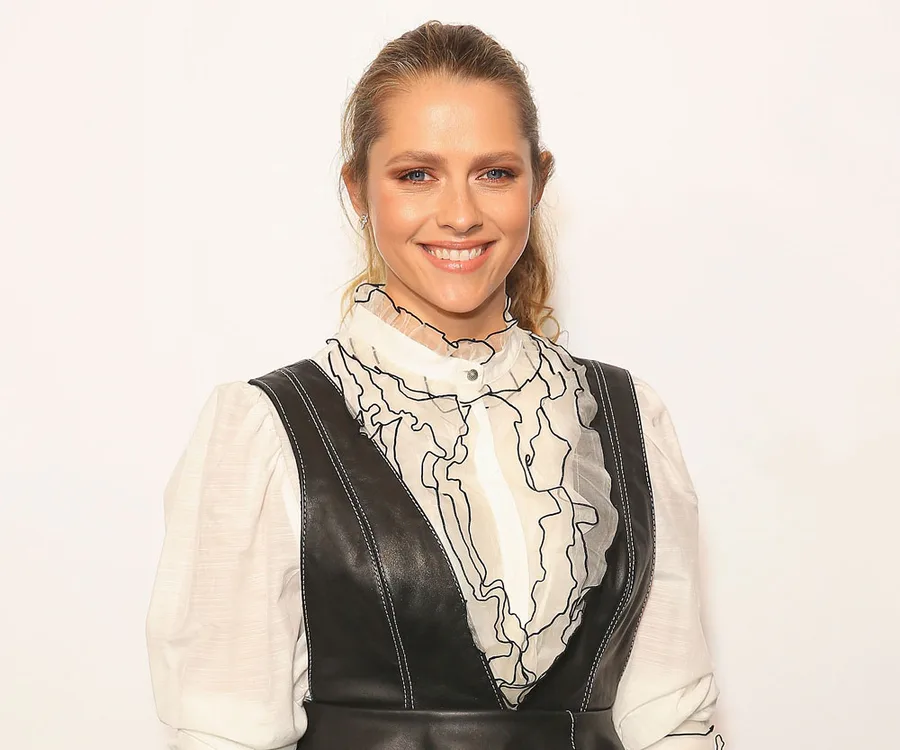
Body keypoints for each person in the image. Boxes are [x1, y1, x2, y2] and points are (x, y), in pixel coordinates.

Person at [146, 20, 723, 750]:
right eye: (416, 174)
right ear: (357, 189)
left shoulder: (629, 419)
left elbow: (669, 723)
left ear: (538, 181)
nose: (460, 213)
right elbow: (221, 733)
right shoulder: (266, 430)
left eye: (495, 172)